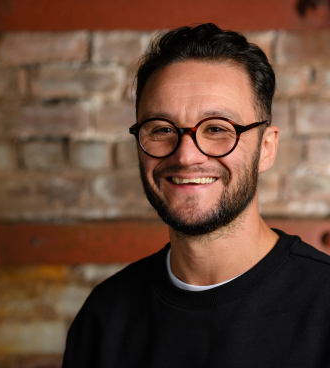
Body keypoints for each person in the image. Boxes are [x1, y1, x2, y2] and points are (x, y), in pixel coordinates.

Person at [62, 23, 330, 367]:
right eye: (161, 129)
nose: (186, 156)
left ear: (266, 148)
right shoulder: (105, 316)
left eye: (217, 129)